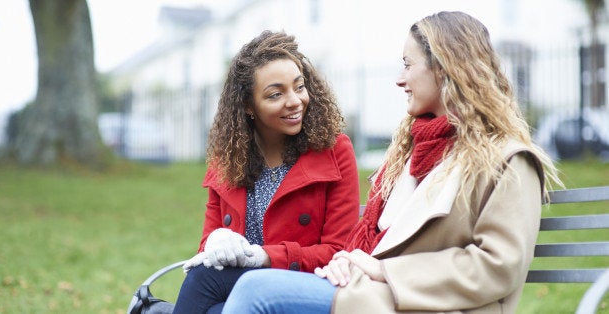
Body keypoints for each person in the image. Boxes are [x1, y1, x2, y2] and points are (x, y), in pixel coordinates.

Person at [220, 11, 562, 314]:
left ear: (445, 69)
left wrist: (384, 271)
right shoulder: (413, 153)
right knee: (221, 284)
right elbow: (373, 242)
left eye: (408, 64)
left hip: (425, 304)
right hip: (373, 293)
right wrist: (350, 262)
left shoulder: (509, 160)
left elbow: (497, 267)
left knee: (257, 290)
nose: (400, 78)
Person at [171, 30, 360, 313]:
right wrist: (216, 240)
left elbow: (338, 251)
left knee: (208, 286)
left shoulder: (334, 150)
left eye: (299, 86)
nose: (295, 101)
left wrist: (264, 257)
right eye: (275, 94)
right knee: (210, 294)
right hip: (241, 287)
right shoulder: (229, 158)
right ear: (248, 106)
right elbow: (207, 249)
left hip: (308, 284)